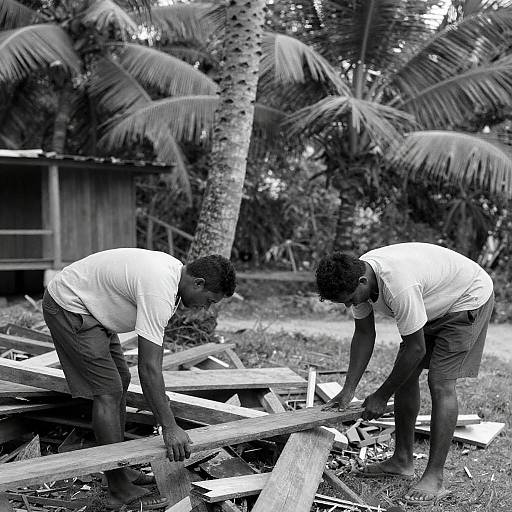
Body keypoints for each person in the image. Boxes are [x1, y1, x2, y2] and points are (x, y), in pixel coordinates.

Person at [42, 248, 236, 511]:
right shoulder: (160, 289)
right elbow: (148, 368)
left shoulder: (172, 274)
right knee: (108, 391)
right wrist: (168, 426)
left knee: (119, 379)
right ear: (198, 283)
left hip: (91, 306)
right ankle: (118, 488)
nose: (206, 308)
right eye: (210, 300)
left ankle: (120, 467)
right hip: (70, 305)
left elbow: (149, 362)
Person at [316, 242, 494, 506]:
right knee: (406, 374)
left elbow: (416, 348)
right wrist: (349, 389)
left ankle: (434, 476)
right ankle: (402, 460)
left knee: (440, 382)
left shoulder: (398, 285)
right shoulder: (359, 277)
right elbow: (364, 334)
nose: (350, 304)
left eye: (351, 299)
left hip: (467, 297)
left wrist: (380, 395)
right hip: (434, 302)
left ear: (363, 281)